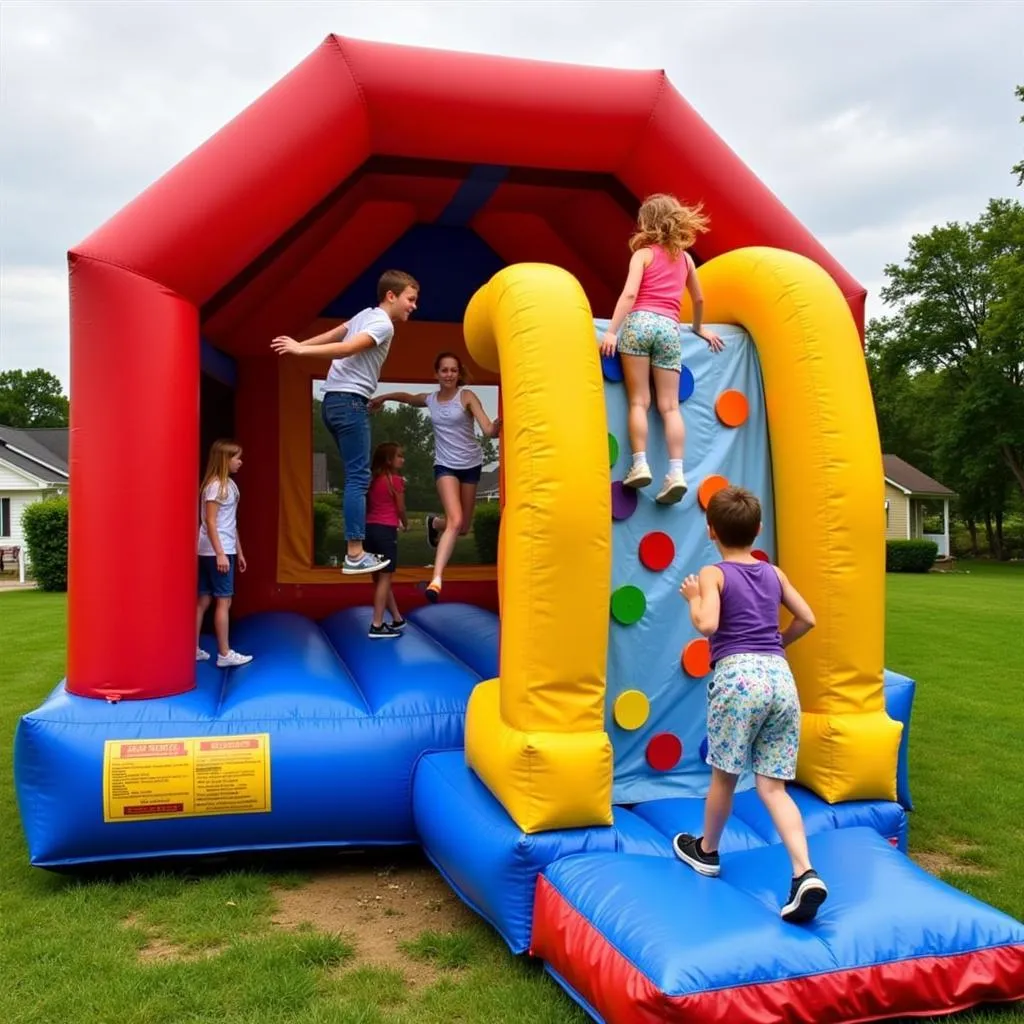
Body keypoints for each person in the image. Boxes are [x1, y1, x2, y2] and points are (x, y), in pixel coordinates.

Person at [672, 485, 828, 924]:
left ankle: (707, 851)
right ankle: (804, 872)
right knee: (773, 787)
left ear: (710, 531)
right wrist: (778, 640)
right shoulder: (773, 573)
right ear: (758, 530)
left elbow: (708, 624)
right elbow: (808, 618)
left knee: (724, 776)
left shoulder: (713, 573)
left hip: (739, 678)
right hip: (780, 678)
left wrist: (692, 599)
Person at [271, 270, 419, 575]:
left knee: (355, 477)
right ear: (391, 296)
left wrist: (301, 346)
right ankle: (354, 552)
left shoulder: (366, 314)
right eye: (411, 299)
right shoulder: (381, 324)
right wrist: (301, 349)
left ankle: (355, 550)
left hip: (336, 404)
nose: (414, 306)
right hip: (348, 403)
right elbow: (348, 346)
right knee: (358, 478)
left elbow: (338, 332)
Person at [599, 193, 724, 504]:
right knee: (670, 407)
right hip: (669, 329)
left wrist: (612, 332)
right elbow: (698, 300)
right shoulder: (685, 259)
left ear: (646, 222)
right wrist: (697, 328)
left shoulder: (642, 255)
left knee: (639, 401)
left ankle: (640, 464)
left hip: (639, 324)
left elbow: (629, 296)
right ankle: (676, 473)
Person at [369, 351, 500, 603]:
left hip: (471, 465)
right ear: (436, 374)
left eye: (453, 370)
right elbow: (407, 398)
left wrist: (494, 428)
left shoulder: (466, 396)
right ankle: (437, 579)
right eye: (444, 370)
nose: (449, 374)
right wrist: (384, 396)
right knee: (456, 519)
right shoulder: (431, 400)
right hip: (445, 466)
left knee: (462, 528)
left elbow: (486, 429)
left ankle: (433, 523)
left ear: (458, 373)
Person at [196, 439, 253, 668]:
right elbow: (210, 521)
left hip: (218, 548)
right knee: (223, 600)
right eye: (236, 457)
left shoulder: (229, 485)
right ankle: (224, 653)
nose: (240, 461)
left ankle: (193, 649)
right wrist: (221, 553)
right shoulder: (216, 486)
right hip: (215, 550)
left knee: (204, 599)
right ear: (224, 460)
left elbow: (231, 522)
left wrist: (238, 552)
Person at [364, 442, 409, 639]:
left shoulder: (373, 480)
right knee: (385, 577)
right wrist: (405, 523)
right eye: (399, 456)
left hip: (370, 530)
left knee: (380, 578)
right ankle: (377, 624)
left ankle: (397, 618)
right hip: (385, 531)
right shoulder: (395, 481)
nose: (402, 460)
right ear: (389, 460)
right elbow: (400, 508)